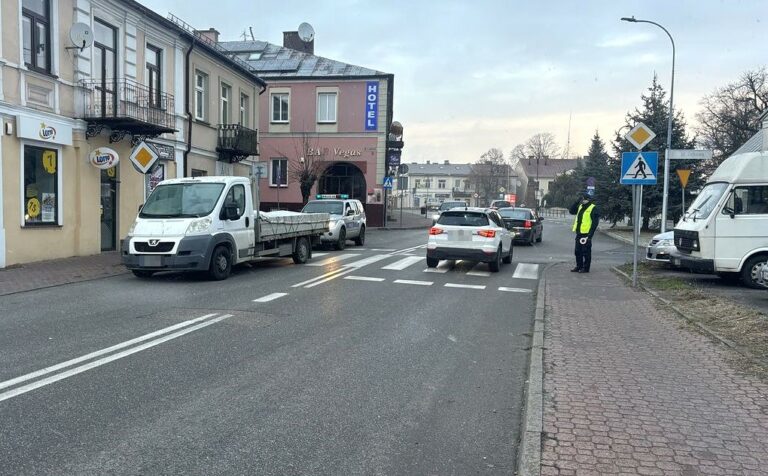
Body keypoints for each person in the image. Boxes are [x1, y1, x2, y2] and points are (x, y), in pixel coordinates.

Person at [569, 191, 599, 273]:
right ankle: (579, 266)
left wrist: (590, 235)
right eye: (581, 199)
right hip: (579, 233)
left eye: (583, 199)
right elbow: (571, 211)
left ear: (588, 199)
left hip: (586, 233)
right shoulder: (580, 206)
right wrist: (576, 202)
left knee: (586, 252)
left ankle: (586, 268)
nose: (582, 201)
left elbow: (595, 223)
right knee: (577, 251)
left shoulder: (593, 208)